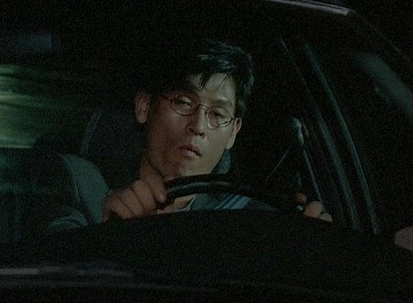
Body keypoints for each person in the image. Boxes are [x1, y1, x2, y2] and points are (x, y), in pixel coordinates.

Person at [52, 38, 332, 228]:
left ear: (233, 133)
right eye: (183, 102)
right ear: (144, 106)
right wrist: (107, 233)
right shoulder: (77, 184)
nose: (198, 126)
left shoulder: (252, 221)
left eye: (217, 114)